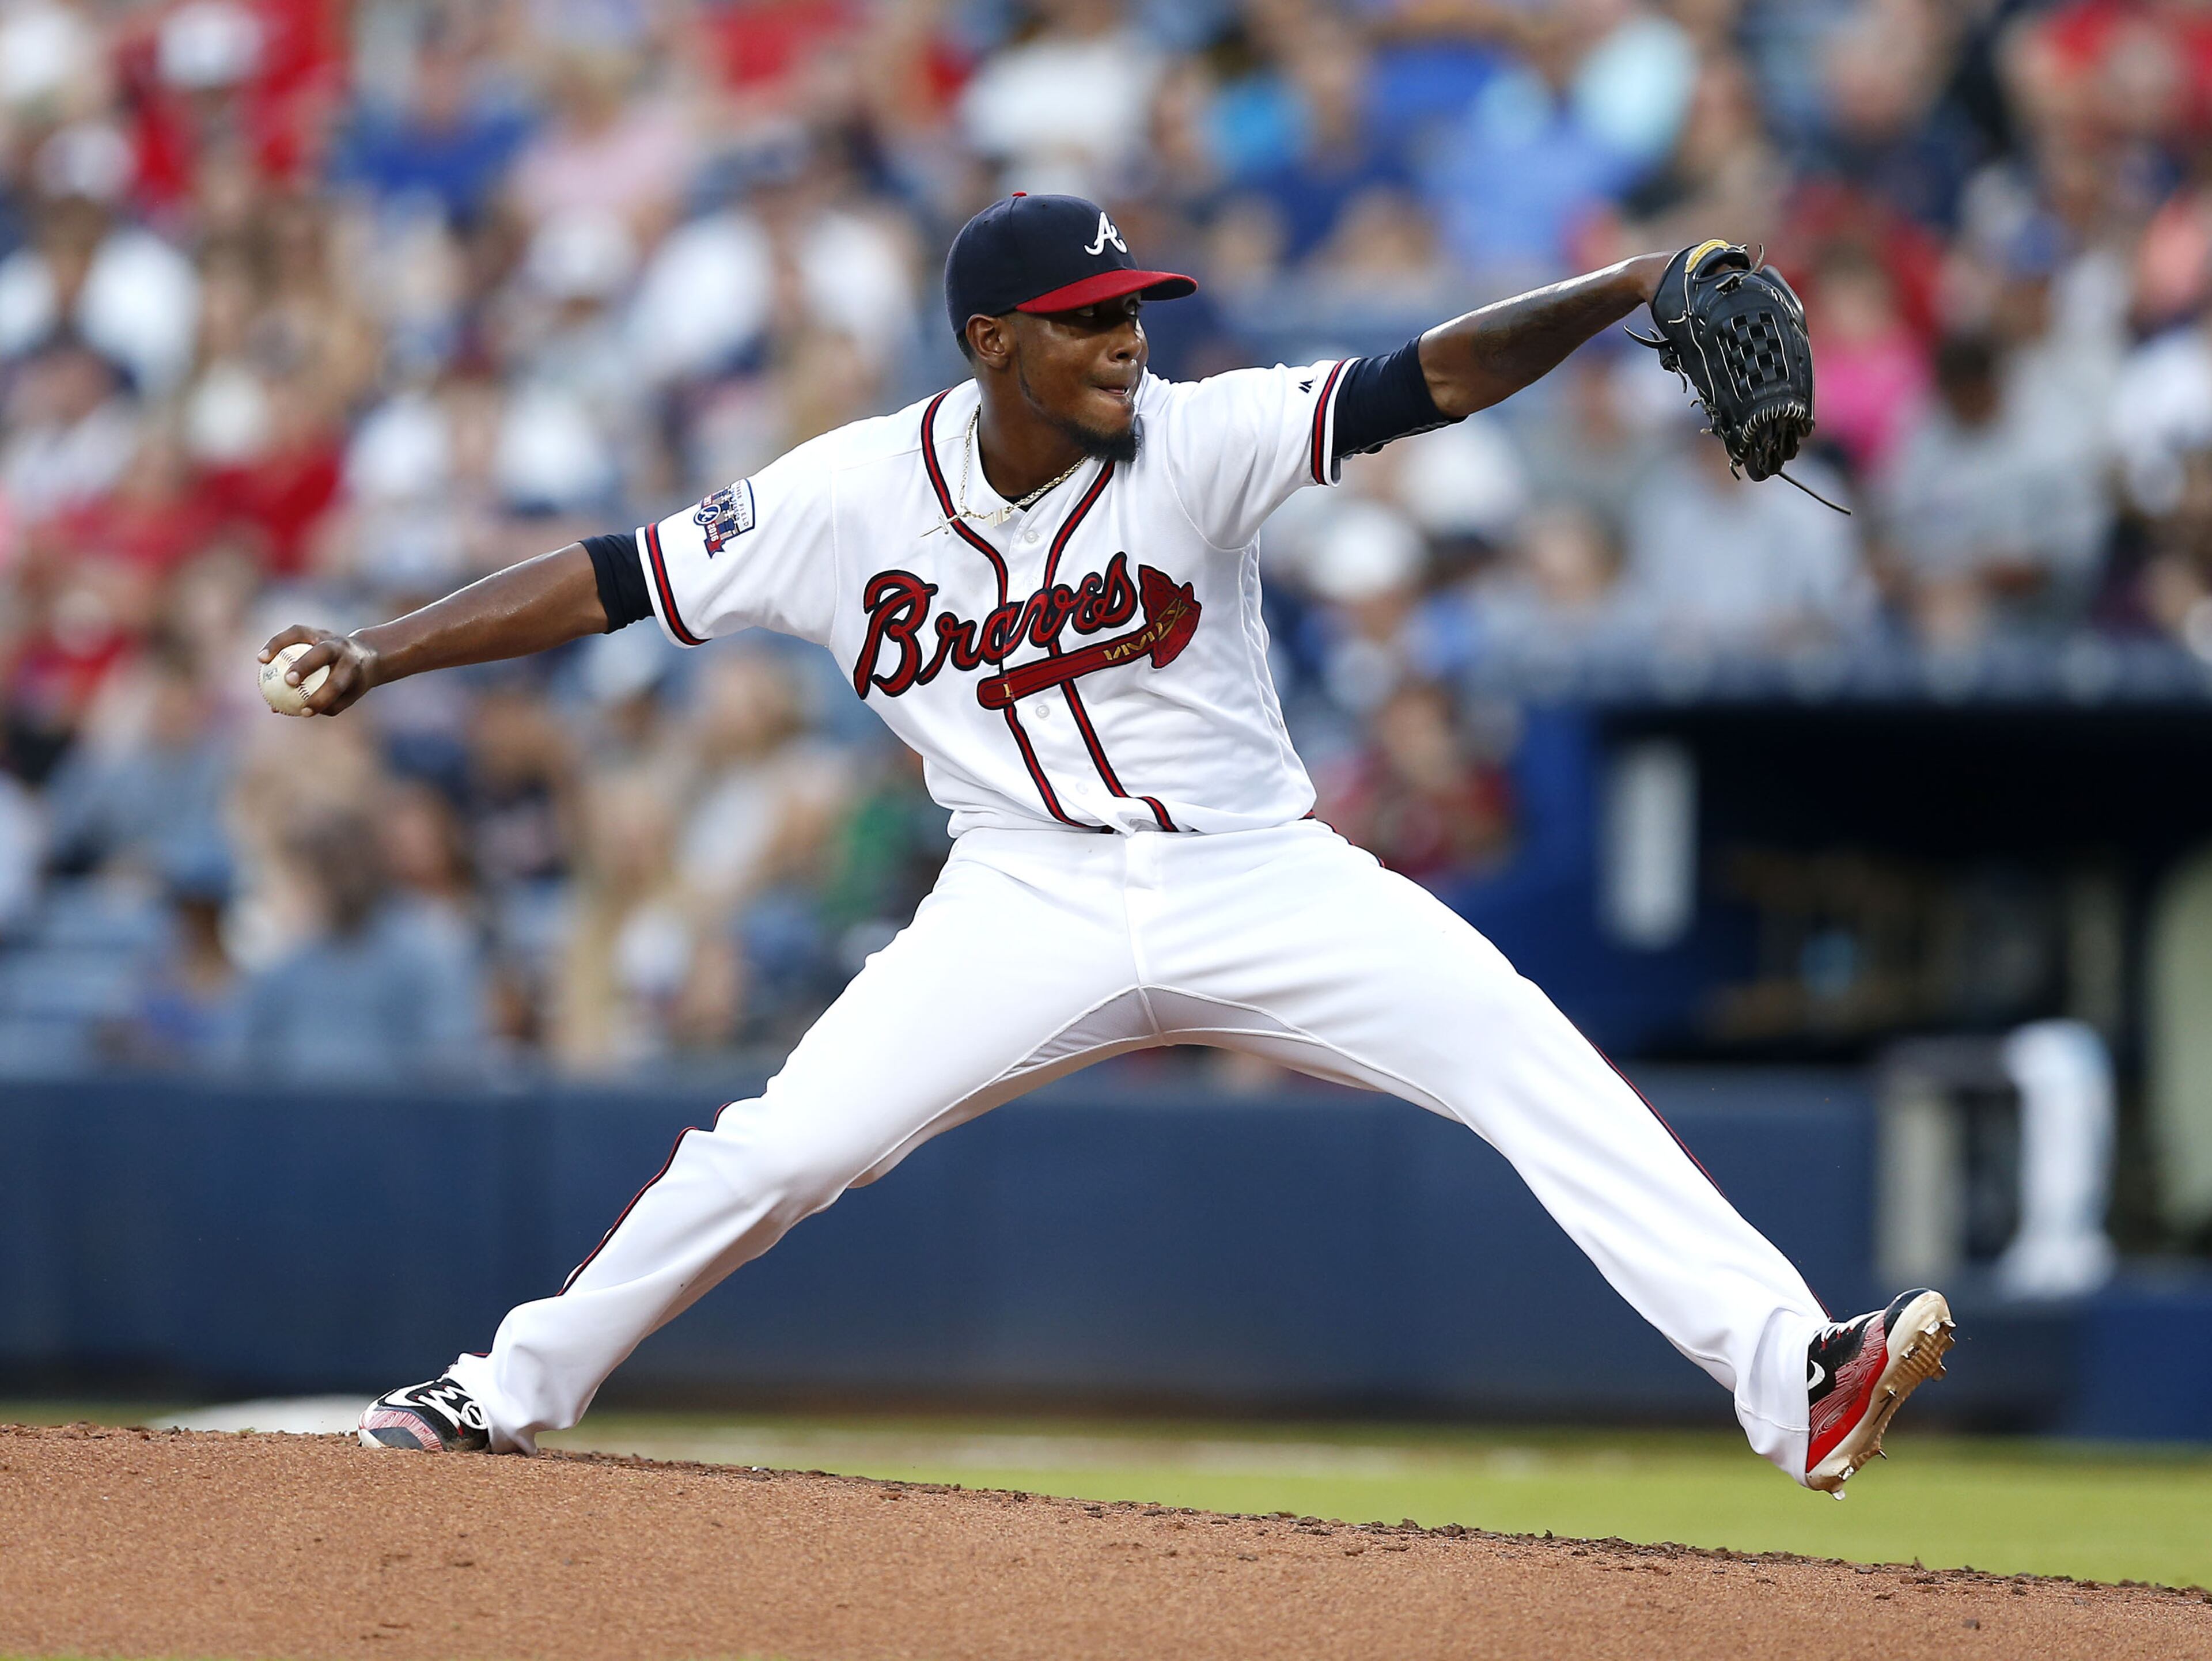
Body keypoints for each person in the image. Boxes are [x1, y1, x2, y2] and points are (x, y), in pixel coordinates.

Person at [264, 194, 1951, 1494]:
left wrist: (1619, 288)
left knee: (1526, 1052)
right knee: (779, 1152)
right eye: (1085, 322)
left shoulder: (1201, 439)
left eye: (1134, 310)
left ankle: (1791, 1374)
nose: (1128, 342)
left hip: (1256, 873)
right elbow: (613, 572)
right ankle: (501, 1387)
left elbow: (1420, 377)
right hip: (1020, 894)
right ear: (990, 342)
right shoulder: (845, 495)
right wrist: (385, 648)